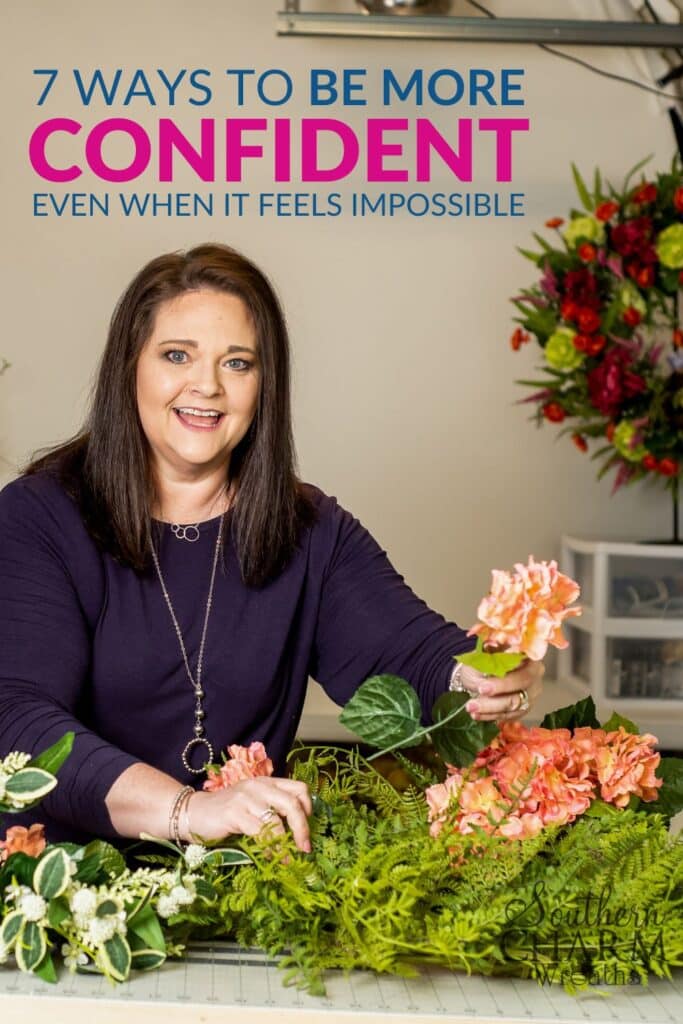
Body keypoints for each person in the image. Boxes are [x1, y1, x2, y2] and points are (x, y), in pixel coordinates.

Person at [0, 244, 544, 854]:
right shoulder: (37, 517)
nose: (205, 385)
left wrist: (488, 674)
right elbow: (18, 721)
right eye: (177, 355)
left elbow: (412, 654)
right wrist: (188, 809)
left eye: (237, 363)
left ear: (265, 385)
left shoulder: (310, 528)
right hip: (55, 890)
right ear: (130, 365)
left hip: (234, 889)